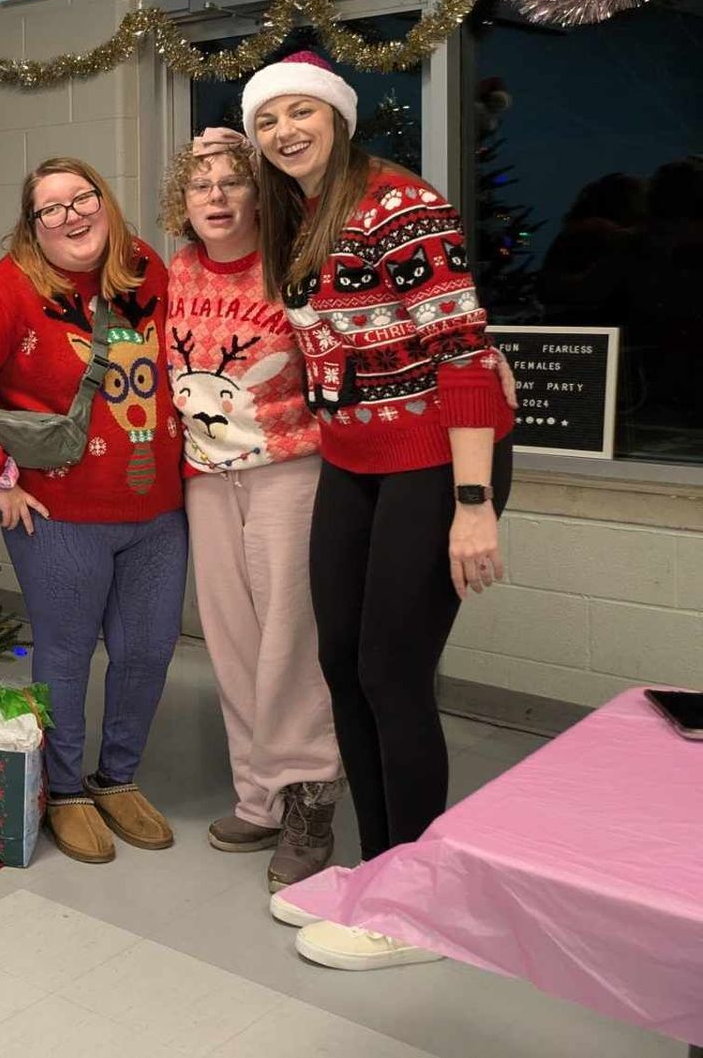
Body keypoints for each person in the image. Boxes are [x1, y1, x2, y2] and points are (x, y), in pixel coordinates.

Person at [244, 52, 515, 971]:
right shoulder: (302, 215)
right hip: (355, 459)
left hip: (440, 457)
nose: (284, 130)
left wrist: (473, 504)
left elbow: (465, 355)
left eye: (299, 111)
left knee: (393, 671)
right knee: (341, 661)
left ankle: (423, 900)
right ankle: (379, 868)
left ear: (337, 116)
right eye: (266, 118)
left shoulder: (398, 203)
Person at [0, 157, 188, 865]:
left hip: (159, 512)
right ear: (32, 225)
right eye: (51, 208)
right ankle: (66, 788)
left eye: (84, 198)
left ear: (106, 201)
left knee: (147, 650)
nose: (72, 215)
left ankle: (119, 776)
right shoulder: (11, 288)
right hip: (61, 516)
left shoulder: (144, 269)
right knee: (67, 657)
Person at [160, 129, 343, 893]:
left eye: (233, 181)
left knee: (289, 642)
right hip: (206, 477)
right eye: (201, 183)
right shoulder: (175, 269)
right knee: (231, 639)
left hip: (288, 470)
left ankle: (311, 798)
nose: (216, 196)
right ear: (184, 199)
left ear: (259, 193)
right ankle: (258, 796)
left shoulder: (293, 266)